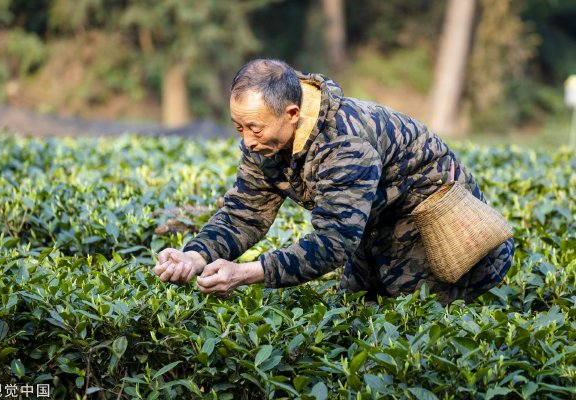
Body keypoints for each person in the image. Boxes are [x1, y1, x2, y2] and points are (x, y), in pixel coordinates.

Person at [153, 59, 514, 304]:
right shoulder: (264, 139)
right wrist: (195, 255)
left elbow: (333, 242)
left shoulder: (345, 143)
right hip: (371, 223)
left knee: (410, 324)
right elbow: (244, 212)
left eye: (254, 128)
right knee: (349, 312)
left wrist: (246, 273)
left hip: (432, 224)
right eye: (239, 127)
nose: (246, 140)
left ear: (291, 114)